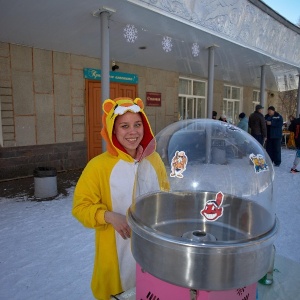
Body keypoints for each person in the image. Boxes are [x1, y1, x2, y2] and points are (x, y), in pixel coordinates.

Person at [72, 97, 169, 300]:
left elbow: (165, 195)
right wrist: (108, 216)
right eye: (124, 126)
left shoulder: (154, 159)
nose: (132, 132)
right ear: (112, 130)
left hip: (154, 254)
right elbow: (81, 207)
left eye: (137, 124)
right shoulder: (98, 166)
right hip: (117, 258)